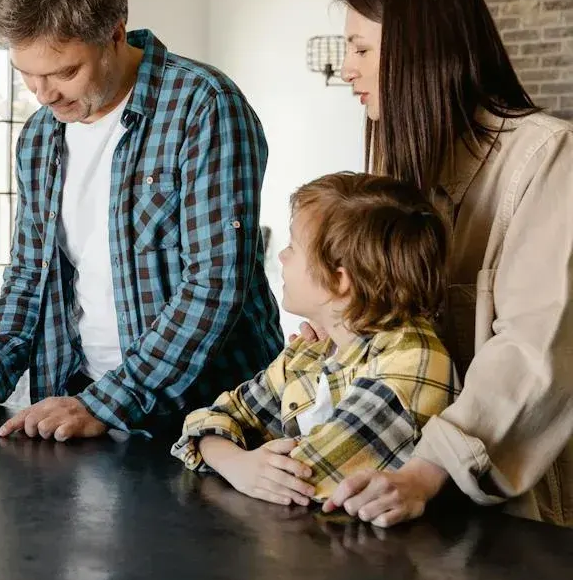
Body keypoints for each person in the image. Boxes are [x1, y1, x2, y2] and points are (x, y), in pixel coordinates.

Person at [0, 0, 282, 438]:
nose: (44, 95)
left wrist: (108, 402)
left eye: (64, 72)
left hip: (208, 416)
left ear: (115, 34)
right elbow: (32, 272)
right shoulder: (40, 137)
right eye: (26, 75)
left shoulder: (204, 106)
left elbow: (215, 284)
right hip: (81, 401)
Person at [332, 0, 573, 527]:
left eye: (361, 48)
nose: (346, 69)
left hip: (516, 506)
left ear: (420, 50)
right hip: (408, 488)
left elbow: (532, 350)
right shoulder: (404, 170)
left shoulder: (548, 156)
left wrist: (427, 469)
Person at [172, 173, 454, 518]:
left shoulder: (413, 362)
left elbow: (304, 479)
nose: (282, 258)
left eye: (292, 247)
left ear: (339, 280)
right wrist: (238, 463)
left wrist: (242, 462)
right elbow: (209, 420)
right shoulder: (313, 349)